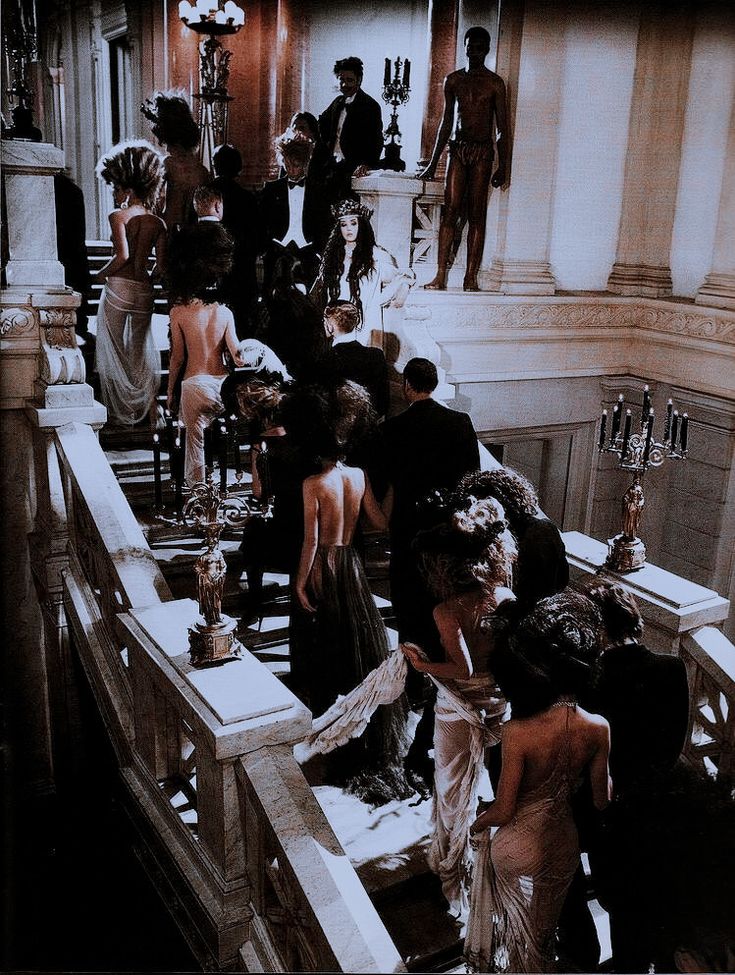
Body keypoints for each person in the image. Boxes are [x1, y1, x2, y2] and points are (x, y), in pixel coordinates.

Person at [465, 590, 612, 974]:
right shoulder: (599, 728)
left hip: (516, 845)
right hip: (562, 841)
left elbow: (504, 809)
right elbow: (601, 801)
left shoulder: (518, 731)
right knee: (543, 936)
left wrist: (476, 823)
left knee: (516, 935)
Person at [289, 384, 411, 804]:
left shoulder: (312, 483)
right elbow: (378, 523)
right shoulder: (357, 476)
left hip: (327, 565)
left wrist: (298, 582)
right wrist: (395, 489)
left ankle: (336, 730)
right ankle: (362, 729)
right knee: (359, 646)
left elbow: (311, 542)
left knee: (333, 647)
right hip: (354, 565)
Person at [401, 496, 516, 918]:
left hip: (459, 705)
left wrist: (420, 663)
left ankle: (454, 865)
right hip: (497, 702)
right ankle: (472, 851)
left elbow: (460, 668)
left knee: (451, 784)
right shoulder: (505, 595)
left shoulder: (448, 609)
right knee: (481, 775)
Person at [582, 579, 690, 974]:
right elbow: (674, 744)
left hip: (614, 816)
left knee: (625, 922)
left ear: (597, 628)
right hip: (665, 811)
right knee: (664, 918)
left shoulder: (591, 681)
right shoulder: (672, 668)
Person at [382, 357, 480, 790]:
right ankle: (440, 676)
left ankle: (412, 681)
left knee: (408, 608)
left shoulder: (394, 428)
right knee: (441, 609)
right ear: (436, 385)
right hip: (446, 536)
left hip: (408, 534)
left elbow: (382, 481)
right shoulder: (460, 423)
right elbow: (472, 481)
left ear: (407, 386)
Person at [419, 27, 509, 292]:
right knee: (450, 212)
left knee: (477, 216)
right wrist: (434, 162)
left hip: (482, 152)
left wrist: (503, 164)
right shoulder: (453, 80)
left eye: (480, 47)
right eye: (470, 46)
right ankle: (440, 275)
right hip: (457, 150)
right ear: (465, 47)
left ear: (487, 49)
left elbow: (502, 128)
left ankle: (471, 277)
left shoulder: (495, 83)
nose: (474, 51)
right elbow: (446, 123)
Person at [94, 140, 167, 427]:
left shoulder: (118, 216)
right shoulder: (157, 223)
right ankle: (149, 413)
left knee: (113, 347)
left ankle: (117, 415)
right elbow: (160, 267)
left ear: (127, 187)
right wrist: (149, 272)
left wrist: (100, 275)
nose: (114, 192)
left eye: (115, 186)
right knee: (139, 350)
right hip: (144, 290)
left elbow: (121, 255)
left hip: (120, 287)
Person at [164, 222, 243, 485]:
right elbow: (238, 356)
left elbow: (176, 358)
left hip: (194, 384)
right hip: (221, 386)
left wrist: (170, 393)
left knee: (194, 440)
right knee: (218, 436)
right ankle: (218, 483)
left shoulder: (178, 312)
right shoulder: (225, 312)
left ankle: (198, 493)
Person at [454, 467, 569, 613]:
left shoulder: (497, 541)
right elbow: (563, 579)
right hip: (548, 614)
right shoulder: (547, 528)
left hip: (515, 619)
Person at [311, 197, 415, 348]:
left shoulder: (376, 256)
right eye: (344, 225)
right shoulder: (332, 257)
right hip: (335, 323)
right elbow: (321, 292)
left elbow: (399, 278)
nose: (349, 229)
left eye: (353, 223)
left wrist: (402, 286)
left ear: (361, 225)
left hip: (364, 323)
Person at [259, 132, 332, 292]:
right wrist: (266, 249)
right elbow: (261, 222)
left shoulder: (319, 191)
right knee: (274, 301)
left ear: (305, 163)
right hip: (277, 252)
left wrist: (318, 254)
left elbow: (324, 225)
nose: (291, 170)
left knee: (305, 304)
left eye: (296, 165)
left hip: (308, 254)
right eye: (287, 164)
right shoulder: (271, 190)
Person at [141, 90, 209, 233]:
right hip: (195, 233)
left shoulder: (167, 164)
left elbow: (151, 203)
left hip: (171, 230)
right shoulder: (202, 171)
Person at [211, 144, 259, 337]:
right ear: (238, 167)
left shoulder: (203, 195)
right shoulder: (248, 198)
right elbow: (257, 239)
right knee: (240, 329)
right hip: (242, 272)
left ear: (215, 166)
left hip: (213, 271)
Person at [318, 56, 383, 193]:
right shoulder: (337, 102)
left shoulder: (370, 106)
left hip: (353, 170)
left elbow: (376, 141)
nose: (344, 85)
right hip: (331, 168)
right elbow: (321, 125)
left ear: (359, 80)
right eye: (341, 80)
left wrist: (367, 165)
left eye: (349, 80)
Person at [324, 300, 389, 418]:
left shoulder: (326, 358)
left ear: (330, 326)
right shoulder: (376, 355)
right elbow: (383, 404)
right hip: (369, 429)